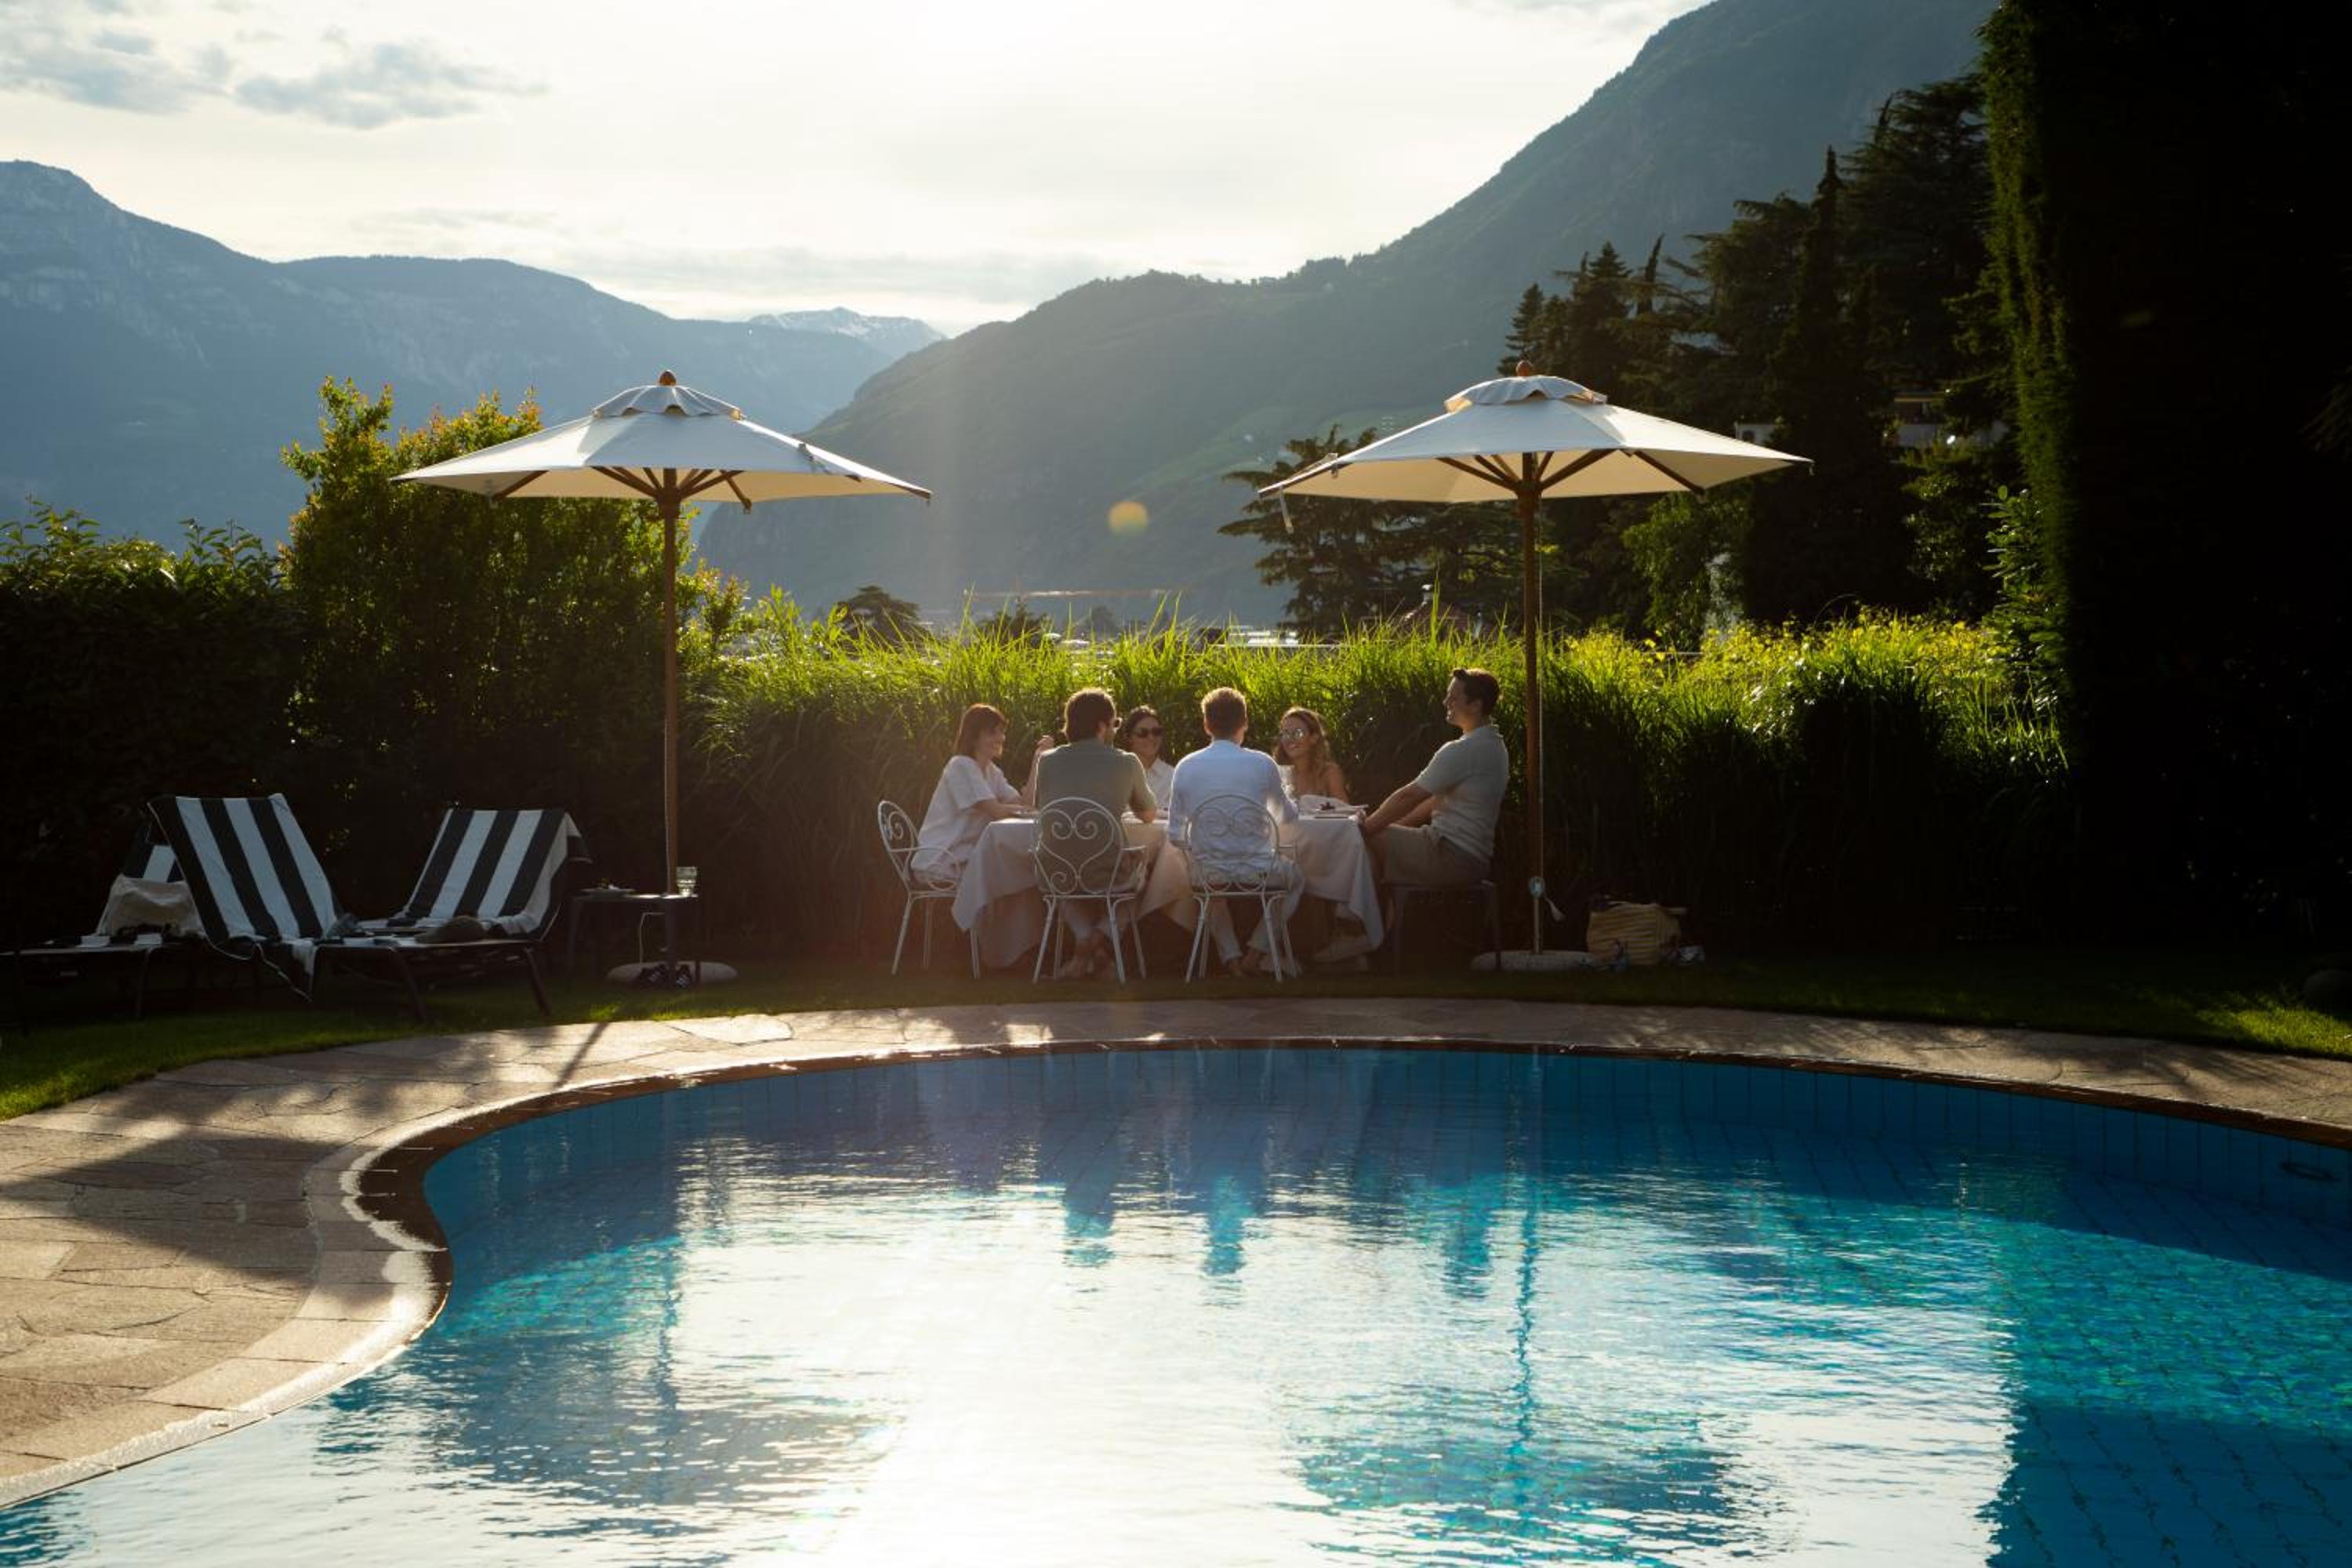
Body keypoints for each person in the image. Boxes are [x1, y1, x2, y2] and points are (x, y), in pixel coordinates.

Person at [1167, 686, 1301, 975]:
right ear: (1245, 723)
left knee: (1210, 879)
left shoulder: (1186, 766)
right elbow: (1286, 817)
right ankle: (1257, 951)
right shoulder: (1262, 763)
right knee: (1296, 878)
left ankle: (1231, 958)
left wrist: (1207, 842)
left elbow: (1175, 835)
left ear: (1207, 725)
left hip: (1209, 872)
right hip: (1259, 870)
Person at [1033, 687, 1156, 977]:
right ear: (1101, 726)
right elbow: (1148, 814)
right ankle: (1099, 938)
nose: (1115, 729)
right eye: (1115, 723)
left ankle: (1084, 938)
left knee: (1061, 879)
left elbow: (1042, 806)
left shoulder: (1047, 760)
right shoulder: (1126, 761)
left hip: (1055, 870)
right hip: (1107, 871)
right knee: (1141, 877)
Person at [1358, 667, 1508, 891]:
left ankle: (1362, 913)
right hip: (1472, 858)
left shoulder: (1465, 749)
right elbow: (1430, 803)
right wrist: (1389, 828)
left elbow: (1409, 796)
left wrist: (1364, 829)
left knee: (1359, 841)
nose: (1446, 702)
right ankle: (1380, 912)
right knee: (1372, 842)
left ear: (1476, 705)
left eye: (1454, 698)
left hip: (1452, 855)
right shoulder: (1494, 745)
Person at [909, 703, 1028, 883]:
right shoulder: (961, 765)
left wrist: (1039, 759)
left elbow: (1022, 804)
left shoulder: (991, 770)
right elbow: (998, 812)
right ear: (973, 737)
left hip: (966, 858)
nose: (1000, 738)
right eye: (992, 733)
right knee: (1017, 873)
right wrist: (1026, 810)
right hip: (941, 861)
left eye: (1001, 732)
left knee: (1020, 871)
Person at [1272, 706, 1348, 805]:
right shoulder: (1275, 774)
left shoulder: (1329, 773)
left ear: (1314, 738)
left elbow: (1345, 811)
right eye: (1285, 734)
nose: (1290, 739)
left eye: (1298, 733)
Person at [1120, 703, 1178, 811]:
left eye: (1156, 732)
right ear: (1129, 737)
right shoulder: (1116, 774)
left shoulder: (1173, 777)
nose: (1151, 738)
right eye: (1142, 733)